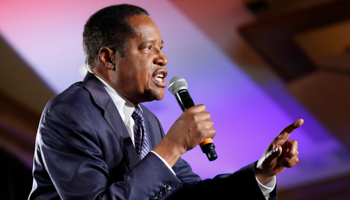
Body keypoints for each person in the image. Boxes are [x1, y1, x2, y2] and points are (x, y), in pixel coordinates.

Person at [28, 4, 303, 200]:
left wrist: (261, 173)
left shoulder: (147, 122)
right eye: (148, 48)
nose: (163, 58)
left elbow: (189, 194)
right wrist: (173, 146)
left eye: (162, 47)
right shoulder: (70, 112)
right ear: (108, 58)